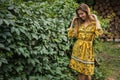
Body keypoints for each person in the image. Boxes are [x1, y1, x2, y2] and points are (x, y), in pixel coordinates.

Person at [67, 3, 103, 80]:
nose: (80, 16)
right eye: (79, 14)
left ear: (87, 12)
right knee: (81, 72)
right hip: (78, 49)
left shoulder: (93, 23)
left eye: (82, 13)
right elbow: (70, 35)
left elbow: (99, 32)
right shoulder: (79, 23)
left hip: (87, 50)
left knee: (86, 72)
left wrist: (96, 19)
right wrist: (73, 22)